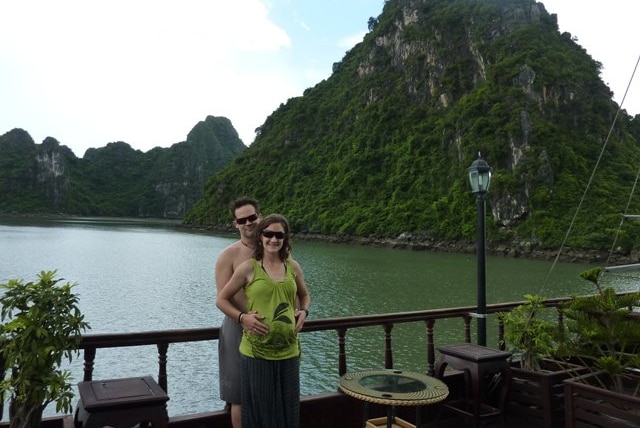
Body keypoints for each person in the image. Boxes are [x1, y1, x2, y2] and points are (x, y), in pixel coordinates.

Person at [216, 214, 311, 428]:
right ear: (261, 237)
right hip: (256, 352)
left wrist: (303, 312)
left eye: (279, 235)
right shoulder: (249, 268)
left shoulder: (292, 267)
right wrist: (242, 318)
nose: (273, 239)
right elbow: (221, 299)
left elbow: (305, 295)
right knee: (259, 412)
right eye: (268, 234)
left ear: (285, 238)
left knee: (288, 411)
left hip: (289, 350)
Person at [216, 196, 262, 428]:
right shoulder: (229, 255)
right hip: (237, 328)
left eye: (252, 217)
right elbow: (221, 300)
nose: (248, 223)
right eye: (242, 220)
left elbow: (291, 286)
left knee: (266, 389)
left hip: (268, 330)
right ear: (235, 224)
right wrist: (243, 318)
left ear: (259, 217)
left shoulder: (275, 248)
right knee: (239, 394)